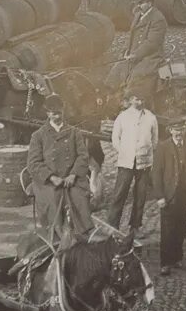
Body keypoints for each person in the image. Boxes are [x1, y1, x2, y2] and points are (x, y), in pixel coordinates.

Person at [24, 106, 95, 246]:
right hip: (48, 181)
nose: (57, 117)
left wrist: (73, 174)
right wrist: (51, 177)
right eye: (54, 113)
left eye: (59, 113)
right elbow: (33, 163)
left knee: (79, 197)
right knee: (53, 199)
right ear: (47, 114)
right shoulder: (38, 135)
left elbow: (83, 156)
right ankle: (57, 236)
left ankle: (82, 233)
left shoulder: (74, 132)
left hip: (71, 178)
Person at [102, 88, 161, 241]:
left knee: (140, 195)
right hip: (126, 162)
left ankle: (135, 227)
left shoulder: (150, 117)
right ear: (131, 100)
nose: (139, 102)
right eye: (136, 99)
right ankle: (112, 226)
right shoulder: (123, 117)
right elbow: (116, 138)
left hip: (144, 162)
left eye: (142, 100)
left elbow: (154, 140)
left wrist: (146, 152)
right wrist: (124, 151)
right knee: (119, 194)